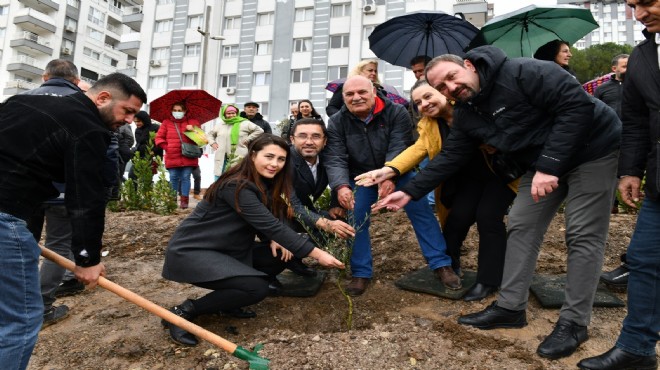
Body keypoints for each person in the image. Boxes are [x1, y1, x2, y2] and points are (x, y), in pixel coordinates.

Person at [374, 46, 621, 360]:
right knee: (520, 224)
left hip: (593, 149)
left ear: (468, 65)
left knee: (582, 235)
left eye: (451, 77)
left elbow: (576, 107)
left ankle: (573, 323)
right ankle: (510, 307)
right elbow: (450, 158)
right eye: (441, 88)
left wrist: (550, 165)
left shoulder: (524, 71)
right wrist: (409, 192)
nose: (451, 88)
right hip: (541, 162)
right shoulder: (466, 113)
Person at [0, 72, 146, 370]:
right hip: (4, 217)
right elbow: (84, 198)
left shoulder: (20, 102)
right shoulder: (88, 128)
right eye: (128, 111)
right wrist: (87, 258)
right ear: (103, 98)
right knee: (23, 319)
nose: (130, 120)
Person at [160, 134, 344, 346]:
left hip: (227, 248)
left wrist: (273, 238)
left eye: (281, 159)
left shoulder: (264, 182)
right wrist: (318, 254)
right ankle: (182, 312)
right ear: (253, 155)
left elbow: (268, 219)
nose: (275, 164)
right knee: (256, 288)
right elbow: (269, 224)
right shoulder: (236, 185)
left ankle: (228, 303)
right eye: (269, 157)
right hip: (193, 252)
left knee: (278, 256)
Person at [356, 79, 517, 301]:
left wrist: (496, 143)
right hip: (467, 180)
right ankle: (450, 265)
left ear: (444, 93)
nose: (424, 104)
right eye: (418, 102)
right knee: (456, 220)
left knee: (488, 218)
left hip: (499, 176)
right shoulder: (430, 125)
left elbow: (510, 128)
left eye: (428, 96)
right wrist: (388, 170)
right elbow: (417, 150)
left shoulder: (473, 109)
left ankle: (488, 280)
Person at [577, 1, 660, 368]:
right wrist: (630, 171)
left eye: (647, 2)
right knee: (644, 261)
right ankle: (637, 349)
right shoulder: (643, 57)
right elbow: (638, 122)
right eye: (632, 6)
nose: (639, 15)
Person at [324, 75, 460, 297]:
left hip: (398, 172)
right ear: (343, 97)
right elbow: (336, 156)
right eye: (349, 94)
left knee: (421, 210)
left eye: (362, 92)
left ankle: (441, 263)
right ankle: (361, 272)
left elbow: (400, 144)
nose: (356, 98)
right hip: (362, 176)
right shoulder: (338, 121)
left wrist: (390, 177)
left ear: (374, 92)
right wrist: (341, 186)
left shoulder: (396, 112)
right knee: (356, 217)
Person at [286, 118, 356, 276]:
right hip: (278, 214)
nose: (309, 142)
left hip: (303, 211)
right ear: (292, 139)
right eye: (302, 136)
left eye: (316, 136)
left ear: (325, 141)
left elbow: (338, 178)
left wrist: (334, 203)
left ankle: (295, 259)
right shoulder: (284, 160)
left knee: (339, 223)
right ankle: (272, 267)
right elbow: (292, 205)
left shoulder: (327, 159)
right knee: (325, 224)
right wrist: (323, 223)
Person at [155, 101, 202, 209]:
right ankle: (172, 201)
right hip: (172, 155)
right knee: (173, 177)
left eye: (179, 110)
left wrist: (194, 130)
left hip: (189, 155)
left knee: (186, 177)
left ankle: (184, 202)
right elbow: (159, 138)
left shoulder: (193, 122)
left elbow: (202, 140)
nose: (177, 112)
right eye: (175, 110)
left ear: (185, 111)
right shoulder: (166, 122)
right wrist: (167, 147)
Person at [325, 59, 408, 117]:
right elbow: (331, 108)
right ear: (359, 71)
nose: (374, 73)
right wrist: (343, 118)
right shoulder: (346, 87)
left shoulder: (381, 91)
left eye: (375, 71)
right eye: (370, 70)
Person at [207, 104, 264, 180]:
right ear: (224, 114)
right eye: (228, 113)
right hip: (222, 157)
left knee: (237, 178)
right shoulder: (220, 125)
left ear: (236, 113)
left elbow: (259, 130)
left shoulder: (244, 123)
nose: (231, 115)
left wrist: (248, 139)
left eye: (233, 113)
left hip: (238, 156)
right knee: (218, 178)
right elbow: (210, 135)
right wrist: (212, 143)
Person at [128, 110, 163, 182]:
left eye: (139, 121)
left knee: (146, 179)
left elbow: (160, 143)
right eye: (135, 122)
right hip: (140, 156)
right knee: (132, 176)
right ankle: (134, 192)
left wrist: (153, 151)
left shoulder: (155, 128)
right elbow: (139, 143)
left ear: (144, 120)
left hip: (152, 157)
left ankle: (147, 193)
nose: (137, 123)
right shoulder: (137, 130)